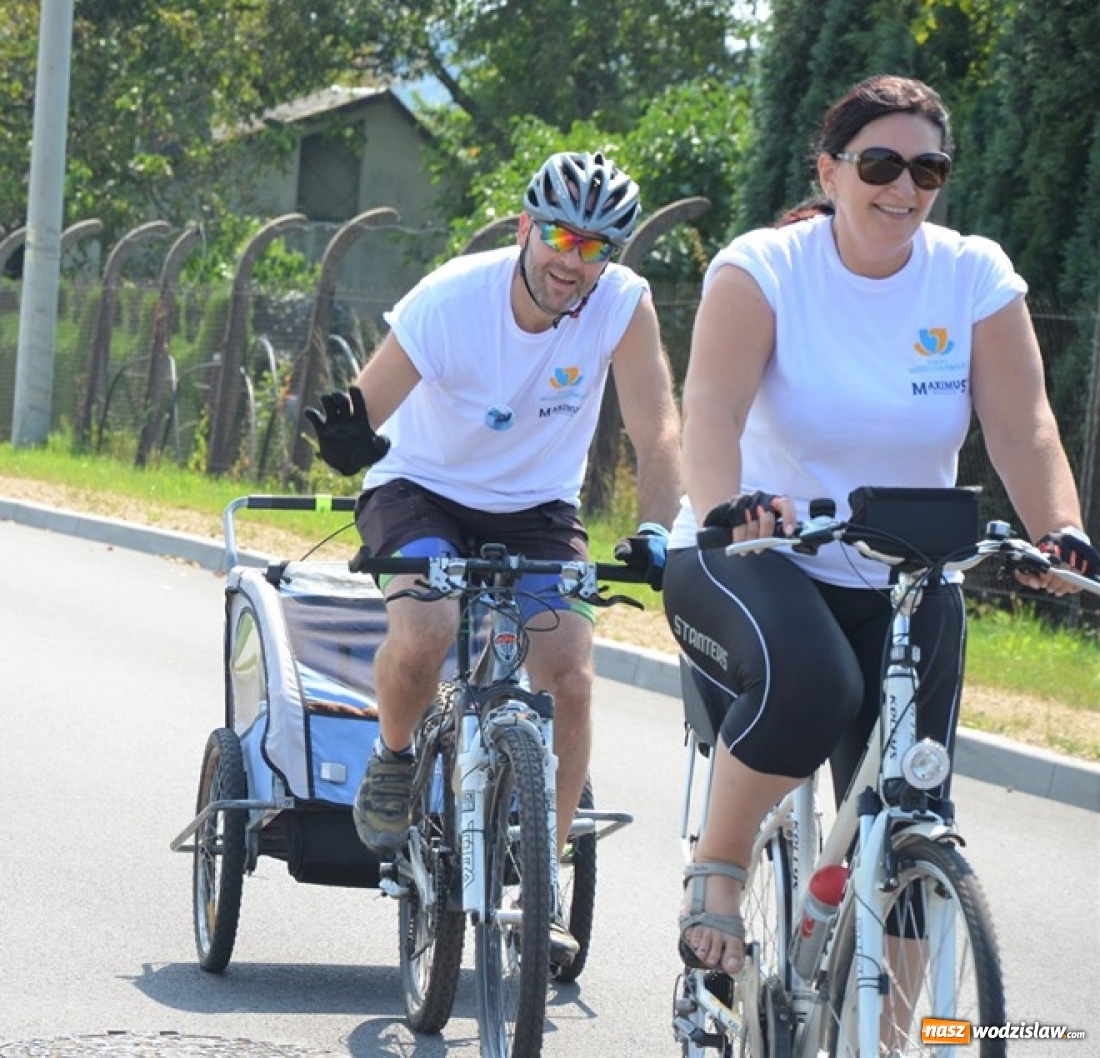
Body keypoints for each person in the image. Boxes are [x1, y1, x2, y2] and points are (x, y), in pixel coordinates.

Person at [662, 74, 1100, 977]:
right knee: (814, 684)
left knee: (913, 809)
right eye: (881, 163)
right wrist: (727, 508)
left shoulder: (973, 274)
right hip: (757, 552)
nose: (905, 188)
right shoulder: (763, 268)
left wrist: (1060, 529)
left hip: (907, 571)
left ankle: (892, 1035)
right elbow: (709, 408)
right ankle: (720, 870)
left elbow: (1024, 429)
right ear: (830, 171)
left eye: (928, 168)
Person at [306, 150, 682, 961]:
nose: (571, 261)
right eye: (558, 236)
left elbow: (658, 427)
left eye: (593, 247)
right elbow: (368, 404)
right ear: (526, 227)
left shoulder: (623, 304)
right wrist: (349, 436)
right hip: (420, 489)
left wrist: (658, 528)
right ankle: (396, 759)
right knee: (427, 631)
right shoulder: (451, 300)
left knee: (571, 674)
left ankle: (539, 883)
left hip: (537, 509)